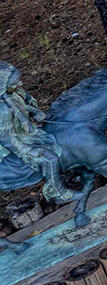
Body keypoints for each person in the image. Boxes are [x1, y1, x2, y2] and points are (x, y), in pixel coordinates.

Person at [0, 62, 73, 204]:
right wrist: (29, 150)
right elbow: (5, 139)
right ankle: (58, 193)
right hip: (15, 142)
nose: (20, 83)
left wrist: (36, 111)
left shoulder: (14, 93)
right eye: (15, 82)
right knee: (49, 159)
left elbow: (25, 105)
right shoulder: (2, 110)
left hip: (26, 133)